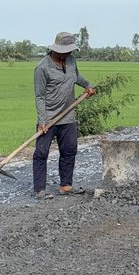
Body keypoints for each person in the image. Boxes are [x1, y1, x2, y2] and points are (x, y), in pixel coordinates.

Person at [33, 31, 96, 200]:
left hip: (68, 115)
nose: (67, 54)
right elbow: (39, 96)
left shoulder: (71, 61)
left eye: (69, 51)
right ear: (55, 49)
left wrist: (88, 85)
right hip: (49, 117)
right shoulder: (42, 68)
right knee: (41, 152)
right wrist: (42, 120)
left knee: (69, 150)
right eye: (64, 51)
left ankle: (66, 186)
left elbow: (76, 76)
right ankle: (40, 190)